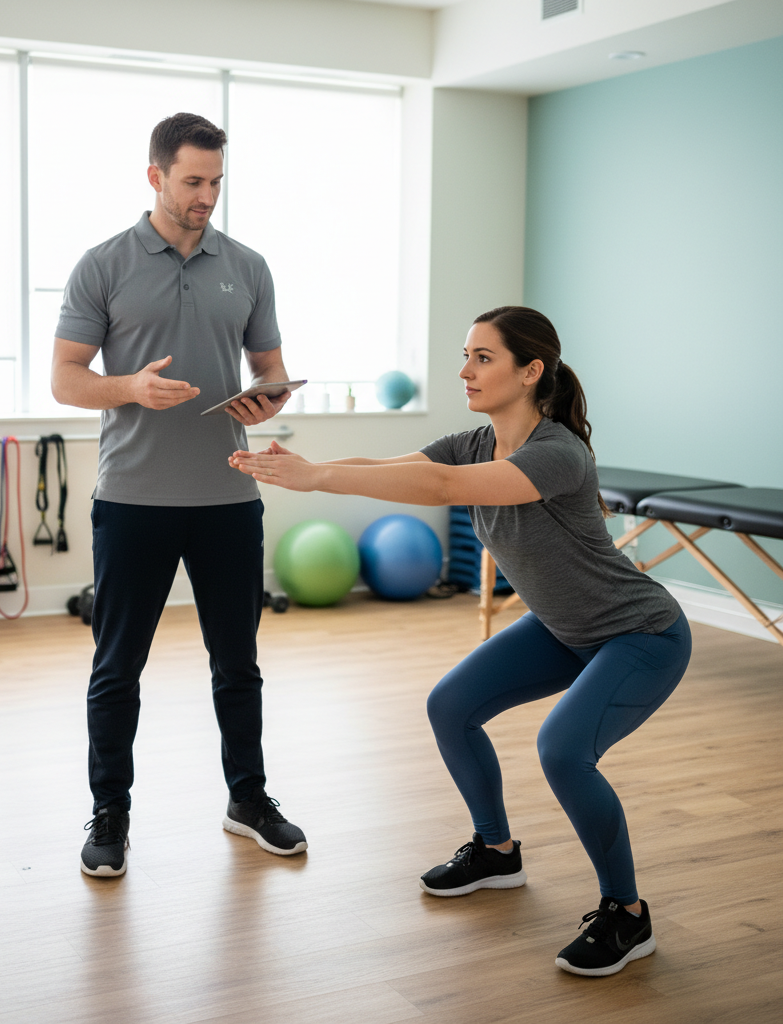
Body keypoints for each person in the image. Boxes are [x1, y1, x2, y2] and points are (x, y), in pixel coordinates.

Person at [229, 306, 691, 977]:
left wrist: (321, 478)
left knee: (562, 750)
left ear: (531, 371)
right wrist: (314, 466)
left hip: (640, 633)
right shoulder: (474, 442)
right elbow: (397, 464)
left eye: (483, 357)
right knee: (451, 705)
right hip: (567, 629)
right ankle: (497, 852)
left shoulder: (557, 453)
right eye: (466, 355)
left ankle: (627, 914)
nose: (464, 370)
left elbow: (442, 488)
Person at [51, 112, 307, 879]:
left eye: (216, 182)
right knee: (117, 667)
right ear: (155, 175)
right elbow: (66, 380)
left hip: (228, 498)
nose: (206, 196)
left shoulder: (249, 265)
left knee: (238, 663)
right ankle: (110, 814)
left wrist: (269, 400)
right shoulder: (103, 264)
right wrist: (130, 387)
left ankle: (249, 799)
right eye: (193, 181)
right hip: (132, 500)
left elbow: (270, 369)